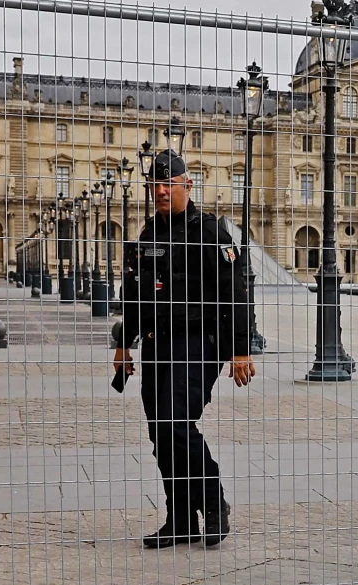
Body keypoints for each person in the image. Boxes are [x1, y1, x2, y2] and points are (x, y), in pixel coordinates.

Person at [113, 150, 254, 549]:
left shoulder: (210, 231)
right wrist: (124, 342)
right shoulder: (147, 236)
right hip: (156, 344)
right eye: (154, 185)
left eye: (168, 184)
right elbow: (136, 295)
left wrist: (240, 349)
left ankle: (213, 498)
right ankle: (180, 520)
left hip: (196, 342)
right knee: (160, 432)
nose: (160, 191)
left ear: (187, 185)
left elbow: (235, 291)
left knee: (176, 423)